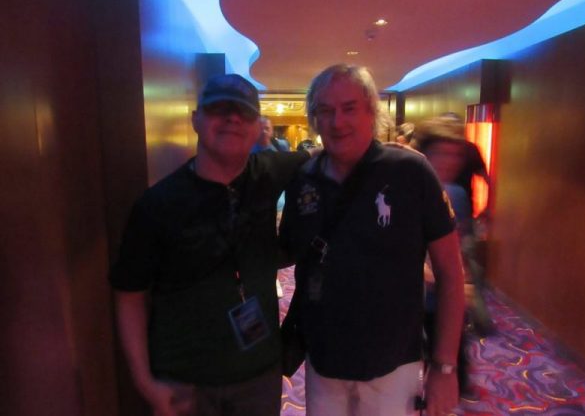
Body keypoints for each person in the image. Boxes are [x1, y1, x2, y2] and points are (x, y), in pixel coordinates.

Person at [109, 74, 311, 416]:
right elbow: (129, 294)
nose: (232, 118)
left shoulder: (270, 172)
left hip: (260, 373)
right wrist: (144, 381)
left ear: (257, 128)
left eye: (243, 112)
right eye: (219, 108)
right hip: (185, 381)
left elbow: (328, 156)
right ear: (195, 120)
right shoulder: (158, 204)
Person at [279, 64, 465, 416]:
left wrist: (445, 367)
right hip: (323, 360)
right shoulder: (304, 179)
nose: (338, 121)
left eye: (349, 108)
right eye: (325, 110)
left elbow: (451, 274)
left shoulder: (410, 172)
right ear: (314, 119)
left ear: (371, 112)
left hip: (393, 365)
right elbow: (290, 253)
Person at [416, 119, 495, 339]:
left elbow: (459, 246)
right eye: (440, 153)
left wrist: (461, 280)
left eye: (455, 155)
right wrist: (444, 279)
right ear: (424, 155)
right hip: (413, 304)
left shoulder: (457, 195)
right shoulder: (406, 193)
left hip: (447, 304)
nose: (449, 162)